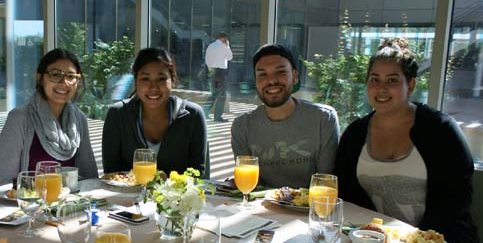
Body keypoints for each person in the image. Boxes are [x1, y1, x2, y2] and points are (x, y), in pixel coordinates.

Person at [335, 37, 478, 243]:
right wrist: (377, 236)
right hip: (378, 238)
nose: (381, 88)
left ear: (410, 84)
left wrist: (413, 242)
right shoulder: (356, 133)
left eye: (392, 80)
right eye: (374, 79)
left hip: (438, 238)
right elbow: (348, 193)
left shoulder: (439, 129)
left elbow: (458, 196)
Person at [231, 43, 340, 188]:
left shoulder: (323, 118)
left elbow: (326, 184)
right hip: (261, 207)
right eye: (262, 74)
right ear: (256, 81)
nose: (271, 81)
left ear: (294, 76)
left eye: (280, 72)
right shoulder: (242, 126)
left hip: (308, 208)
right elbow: (248, 185)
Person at [102, 47, 208, 177]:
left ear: (173, 81)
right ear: (135, 82)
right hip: (127, 196)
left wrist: (167, 184)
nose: (153, 87)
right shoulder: (118, 115)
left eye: (161, 79)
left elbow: (198, 175)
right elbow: (111, 173)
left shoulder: (193, 116)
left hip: (177, 196)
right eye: (145, 79)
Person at [0, 48, 97, 185]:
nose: (64, 83)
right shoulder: (19, 118)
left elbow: (90, 177)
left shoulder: (79, 119)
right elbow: (7, 182)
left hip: (70, 203)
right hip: (27, 203)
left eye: (71, 76)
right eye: (56, 75)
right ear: (40, 78)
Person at [204, 33, 233, 122]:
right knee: (222, 95)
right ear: (224, 39)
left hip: (212, 71)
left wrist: (210, 70)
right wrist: (228, 46)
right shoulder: (223, 47)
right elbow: (230, 57)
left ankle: (205, 112)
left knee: (214, 94)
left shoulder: (210, 46)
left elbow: (207, 60)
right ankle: (217, 117)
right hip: (221, 73)